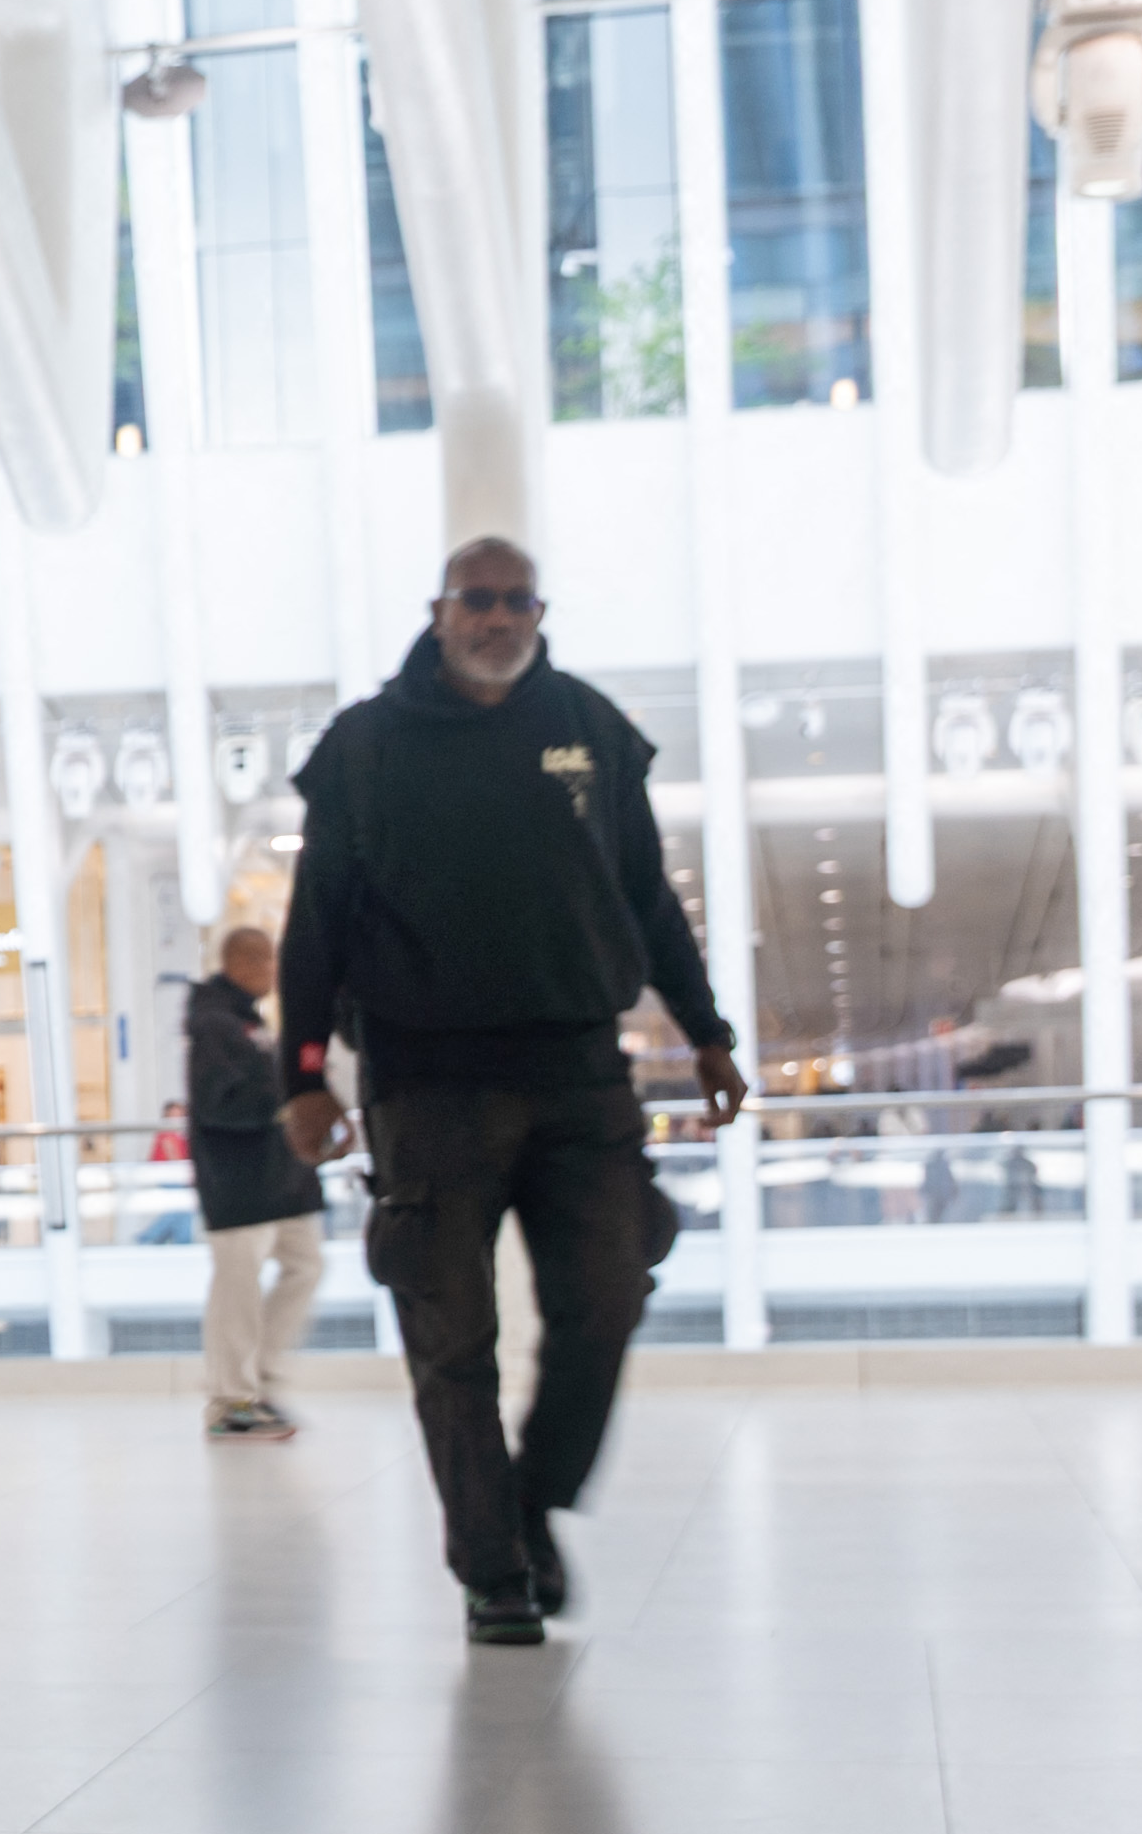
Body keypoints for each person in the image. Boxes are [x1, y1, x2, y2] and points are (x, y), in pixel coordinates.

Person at [277, 536, 746, 1644]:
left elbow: (646, 896)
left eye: (515, 601)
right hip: (424, 1081)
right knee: (453, 1337)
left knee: (608, 1297)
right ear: (438, 611)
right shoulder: (367, 747)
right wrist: (304, 1070)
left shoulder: (588, 730)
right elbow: (316, 923)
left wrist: (708, 1030)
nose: (496, 618)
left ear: (540, 610)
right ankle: (493, 1569)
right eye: (474, 601)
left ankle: (528, 1507)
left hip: (579, 1071)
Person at [184, 920, 324, 1437]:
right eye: (265, 960)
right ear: (240, 964)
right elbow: (218, 1103)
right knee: (238, 1284)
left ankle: (258, 1379)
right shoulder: (215, 1024)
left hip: (276, 1179)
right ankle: (232, 1400)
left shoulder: (250, 1022)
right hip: (236, 1181)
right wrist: (282, 1104)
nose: (273, 970)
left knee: (305, 1264)